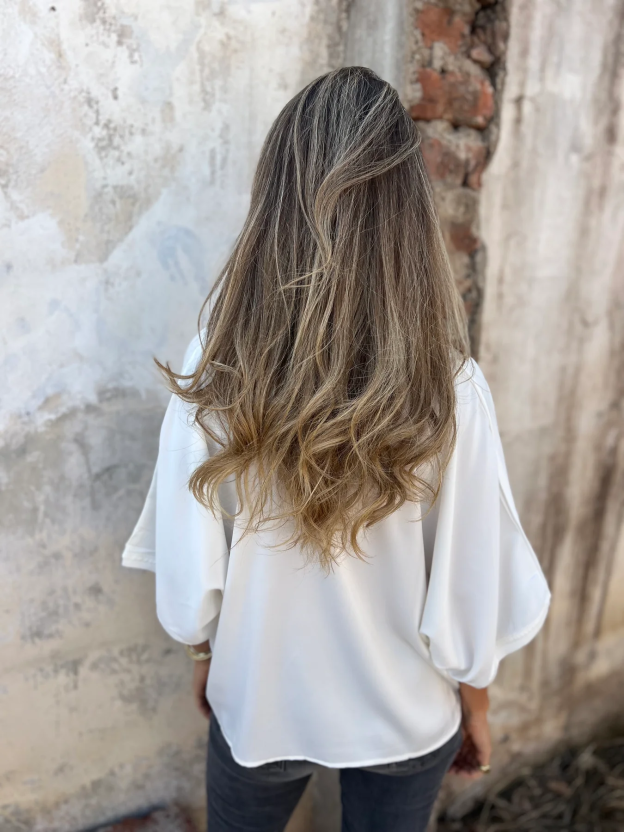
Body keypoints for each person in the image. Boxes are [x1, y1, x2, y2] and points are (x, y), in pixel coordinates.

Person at [122, 66, 551, 832]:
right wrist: (477, 706)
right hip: (406, 715)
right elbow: (472, 591)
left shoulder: (217, 367)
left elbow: (190, 579)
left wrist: (202, 658)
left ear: (275, 198)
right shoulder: (450, 388)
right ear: (407, 210)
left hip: (260, 703)